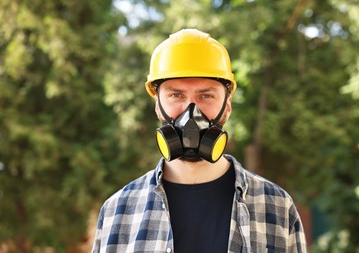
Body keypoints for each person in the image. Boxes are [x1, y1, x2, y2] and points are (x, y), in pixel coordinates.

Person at [92, 28, 307, 253]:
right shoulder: (118, 211)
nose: (191, 112)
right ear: (158, 105)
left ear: (228, 105)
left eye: (206, 96)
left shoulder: (277, 207)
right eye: (176, 95)